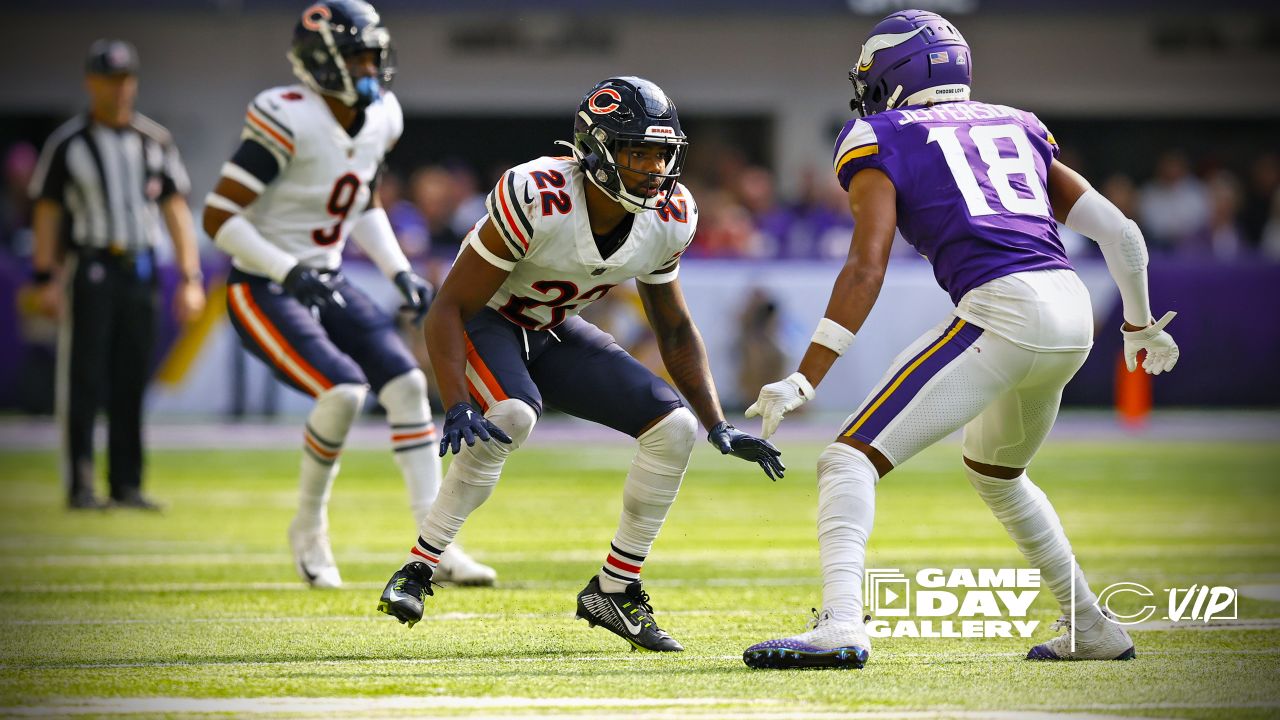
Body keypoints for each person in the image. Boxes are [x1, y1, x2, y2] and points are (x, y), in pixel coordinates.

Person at [740, 9, 1180, 669]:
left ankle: (840, 623)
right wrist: (1139, 324)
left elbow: (867, 264)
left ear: (894, 74)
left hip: (1006, 308)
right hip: (1072, 311)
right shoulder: (1020, 123)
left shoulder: (879, 133)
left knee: (847, 460)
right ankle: (1091, 625)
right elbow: (1121, 233)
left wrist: (807, 376)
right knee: (999, 474)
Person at [376, 76, 784, 652]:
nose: (652, 167)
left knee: (675, 430)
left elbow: (672, 325)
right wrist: (457, 400)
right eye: (636, 151)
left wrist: (718, 421)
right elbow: (449, 306)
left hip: (552, 327)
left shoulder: (670, 214)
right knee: (513, 416)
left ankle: (616, 590)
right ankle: (418, 568)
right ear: (596, 150)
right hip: (485, 319)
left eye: (661, 153)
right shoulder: (538, 195)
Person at [201, 0, 493, 589]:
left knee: (410, 385)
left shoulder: (383, 115)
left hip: (324, 279)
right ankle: (308, 529)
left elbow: (359, 202)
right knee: (341, 392)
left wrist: (398, 271)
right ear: (322, 62)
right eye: (357, 56)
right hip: (263, 286)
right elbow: (219, 215)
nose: (369, 68)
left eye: (372, 55)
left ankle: (435, 545)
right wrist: (285, 269)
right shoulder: (286, 115)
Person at [29, 39, 206, 511]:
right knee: (84, 377)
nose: (119, 89)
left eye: (126, 79)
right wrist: (45, 275)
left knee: (132, 377)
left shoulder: (154, 140)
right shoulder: (68, 143)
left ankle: (127, 483)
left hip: (142, 265)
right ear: (91, 83)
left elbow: (176, 210)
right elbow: (47, 210)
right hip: (91, 264)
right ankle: (81, 484)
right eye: (109, 79)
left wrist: (190, 276)